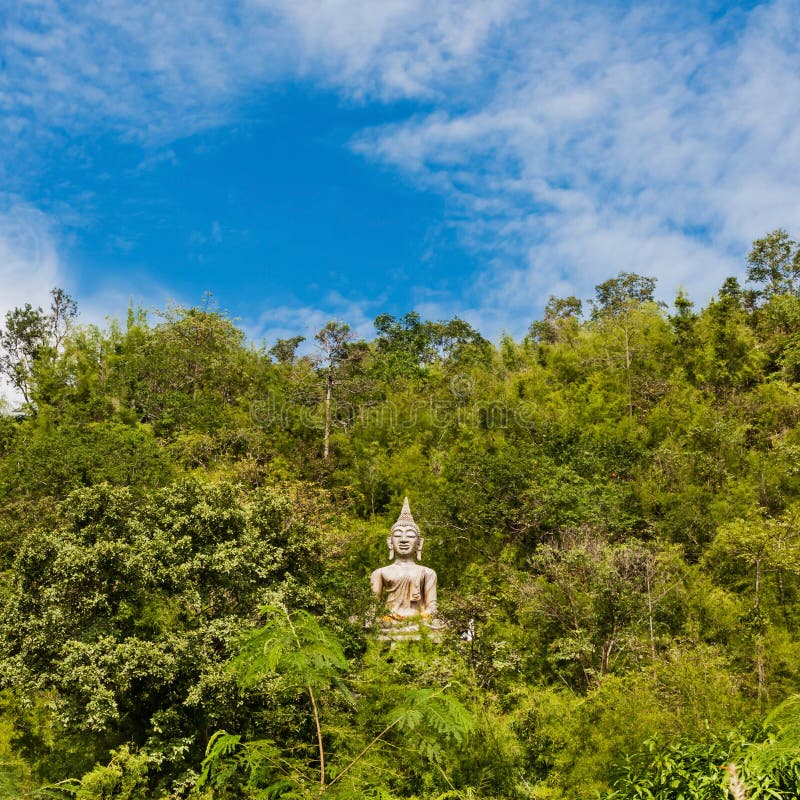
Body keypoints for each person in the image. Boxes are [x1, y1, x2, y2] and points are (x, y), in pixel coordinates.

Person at [370, 497, 437, 620]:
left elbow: (432, 607)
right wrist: (381, 617)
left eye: (410, 535)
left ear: (419, 543)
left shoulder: (427, 573)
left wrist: (419, 617)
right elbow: (372, 607)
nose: (404, 539)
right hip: (389, 620)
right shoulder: (380, 573)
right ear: (390, 542)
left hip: (418, 622)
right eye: (397, 535)